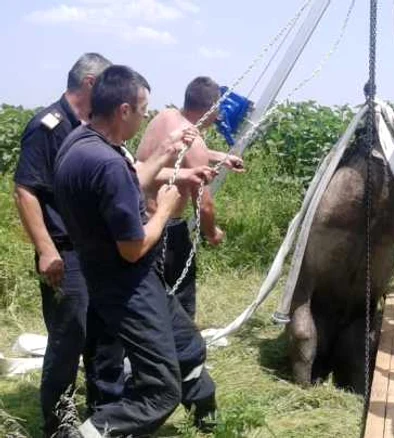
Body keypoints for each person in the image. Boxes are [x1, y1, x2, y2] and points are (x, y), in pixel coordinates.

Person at [53, 65, 217, 437]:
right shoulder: (108, 163)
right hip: (128, 285)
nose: (145, 118)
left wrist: (166, 152)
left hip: (121, 277)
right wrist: (164, 209)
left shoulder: (82, 144)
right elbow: (133, 248)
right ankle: (83, 435)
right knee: (160, 391)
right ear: (124, 110)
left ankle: (205, 414)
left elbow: (127, 183)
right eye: (143, 110)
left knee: (188, 346)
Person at [12, 52, 126, 437]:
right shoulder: (48, 126)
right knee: (68, 338)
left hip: (99, 253)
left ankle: (105, 416)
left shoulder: (94, 127)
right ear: (91, 83)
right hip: (66, 253)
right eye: (108, 84)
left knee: (104, 334)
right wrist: (46, 250)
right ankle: (58, 423)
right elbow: (25, 191)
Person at [136, 76, 244, 318]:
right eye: (218, 109)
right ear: (211, 108)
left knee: (144, 293)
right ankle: (183, 350)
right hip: (164, 228)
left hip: (138, 218)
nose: (219, 116)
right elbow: (203, 204)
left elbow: (180, 155)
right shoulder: (193, 141)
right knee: (178, 296)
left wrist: (221, 157)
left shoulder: (166, 117)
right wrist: (212, 232)